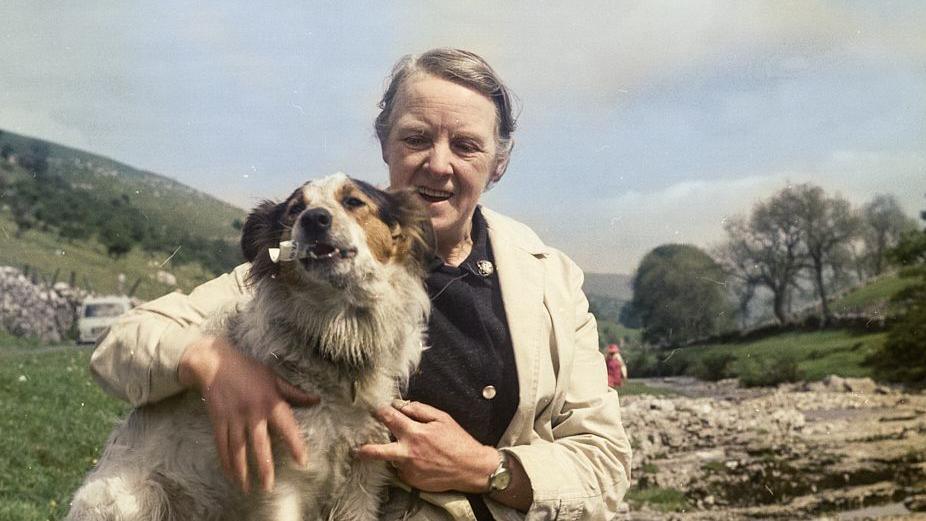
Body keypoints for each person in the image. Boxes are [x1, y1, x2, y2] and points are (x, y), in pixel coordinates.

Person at [90, 48, 631, 520]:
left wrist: (485, 468)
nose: (438, 165)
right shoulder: (304, 268)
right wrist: (211, 361)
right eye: (416, 138)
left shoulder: (551, 280)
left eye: (466, 146)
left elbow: (604, 462)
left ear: (499, 163)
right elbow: (122, 345)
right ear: (385, 145)